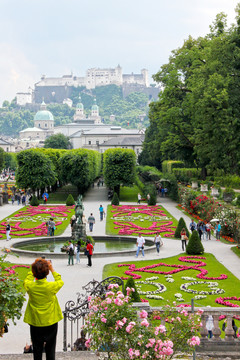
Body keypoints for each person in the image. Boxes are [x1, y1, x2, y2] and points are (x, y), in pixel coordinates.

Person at [23, 258, 64, 360]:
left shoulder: (30, 286)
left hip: (35, 321)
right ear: (47, 272)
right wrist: (52, 269)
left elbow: (27, 280)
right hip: (51, 321)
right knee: (51, 349)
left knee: (37, 350)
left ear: (34, 272)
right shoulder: (51, 286)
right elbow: (60, 281)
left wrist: (35, 267)